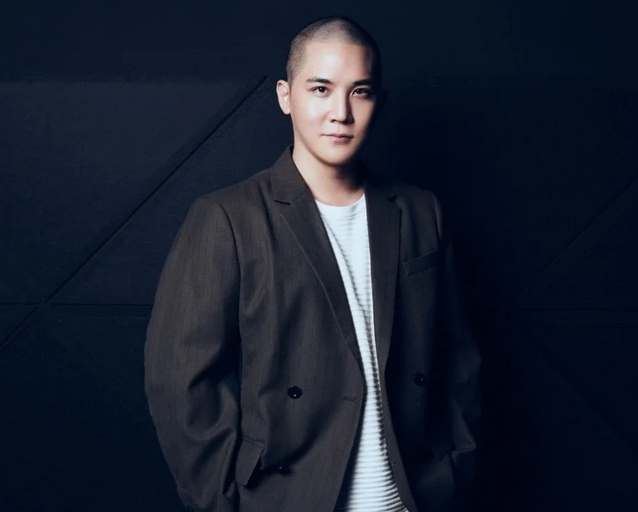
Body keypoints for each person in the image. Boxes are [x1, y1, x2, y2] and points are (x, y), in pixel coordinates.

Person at [144, 15, 481, 512]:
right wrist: (225, 503)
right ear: (286, 96)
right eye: (321, 89)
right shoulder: (228, 217)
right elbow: (180, 382)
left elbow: (458, 361)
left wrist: (454, 470)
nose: (340, 113)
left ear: (379, 100)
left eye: (359, 91)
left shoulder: (419, 211)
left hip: (411, 497)